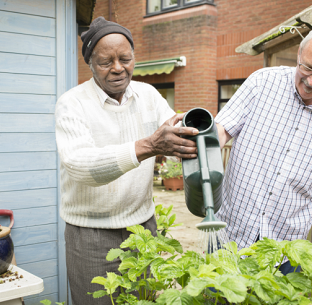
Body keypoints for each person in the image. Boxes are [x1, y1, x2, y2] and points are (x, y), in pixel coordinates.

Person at [55, 17, 198, 305]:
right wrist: (149, 145)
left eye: (125, 58)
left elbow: (170, 128)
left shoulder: (148, 94)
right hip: (90, 234)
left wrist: (186, 137)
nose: (118, 68)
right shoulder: (72, 103)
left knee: (142, 299)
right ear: (91, 64)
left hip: (142, 227)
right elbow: (80, 165)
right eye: (106, 61)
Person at [215, 24, 312, 274]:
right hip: (230, 233)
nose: (311, 80)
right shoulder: (262, 83)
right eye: (307, 67)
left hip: (286, 246)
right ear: (299, 55)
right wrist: (200, 152)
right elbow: (221, 130)